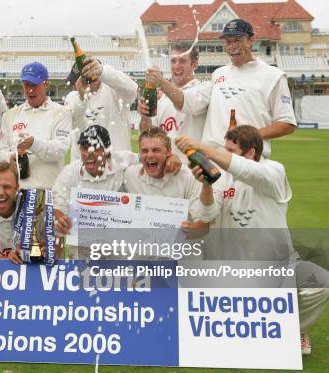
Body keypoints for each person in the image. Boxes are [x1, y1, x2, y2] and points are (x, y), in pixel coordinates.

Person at [176, 126, 329, 356]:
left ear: (250, 152)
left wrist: (201, 147)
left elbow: (249, 172)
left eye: (230, 150)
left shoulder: (274, 171)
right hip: (228, 271)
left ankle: (293, 330)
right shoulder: (221, 177)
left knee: (321, 284)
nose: (223, 155)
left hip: (276, 269)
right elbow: (206, 215)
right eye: (223, 150)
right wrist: (206, 185)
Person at [146, 18, 296, 158]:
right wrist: (162, 83)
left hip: (247, 159)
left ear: (251, 40)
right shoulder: (219, 74)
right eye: (228, 42)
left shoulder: (273, 76)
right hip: (213, 158)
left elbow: (287, 124)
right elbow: (186, 102)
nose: (232, 47)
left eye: (237, 40)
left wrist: (252, 135)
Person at [53, 125, 181, 236]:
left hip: (115, 243)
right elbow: (58, 204)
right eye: (84, 148)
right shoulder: (69, 172)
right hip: (82, 243)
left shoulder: (121, 160)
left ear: (107, 151)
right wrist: (60, 219)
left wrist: (171, 157)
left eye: (95, 148)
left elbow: (149, 157)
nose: (88, 153)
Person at [0, 62, 72, 189]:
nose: (30, 90)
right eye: (26, 85)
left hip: (49, 190)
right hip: (16, 191)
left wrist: (33, 143)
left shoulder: (62, 112)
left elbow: (60, 149)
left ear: (46, 84)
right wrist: (10, 157)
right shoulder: (9, 115)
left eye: (34, 85)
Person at [123, 128, 218, 228]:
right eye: (145, 151)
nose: (150, 155)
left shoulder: (188, 178)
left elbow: (204, 226)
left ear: (169, 152)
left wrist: (183, 233)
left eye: (156, 150)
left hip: (179, 242)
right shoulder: (129, 175)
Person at [139, 43, 206, 162]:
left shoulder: (203, 89)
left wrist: (161, 81)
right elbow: (147, 133)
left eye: (182, 61)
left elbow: (183, 101)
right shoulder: (162, 98)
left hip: (193, 171)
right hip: (165, 172)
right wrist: (145, 115)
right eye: (173, 61)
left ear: (194, 65)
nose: (177, 66)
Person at [64, 57, 139, 155]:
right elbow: (74, 124)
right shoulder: (72, 98)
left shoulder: (114, 92)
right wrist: (82, 98)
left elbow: (133, 89)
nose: (76, 86)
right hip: (86, 164)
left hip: (116, 163)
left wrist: (103, 72)